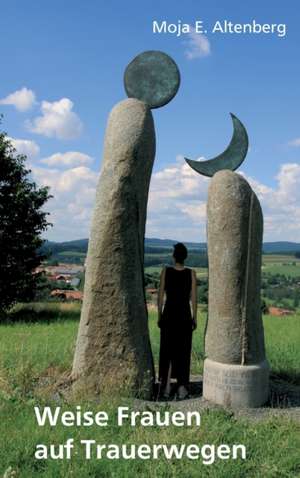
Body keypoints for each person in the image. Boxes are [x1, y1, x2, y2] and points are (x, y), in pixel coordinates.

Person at [157, 243, 197, 399]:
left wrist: (160, 315)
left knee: (167, 351)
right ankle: (182, 387)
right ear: (185, 257)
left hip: (169, 315)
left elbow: (160, 296)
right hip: (184, 316)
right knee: (183, 352)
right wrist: (195, 318)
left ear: (174, 256)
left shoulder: (165, 272)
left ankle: (166, 387)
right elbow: (193, 298)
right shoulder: (191, 273)